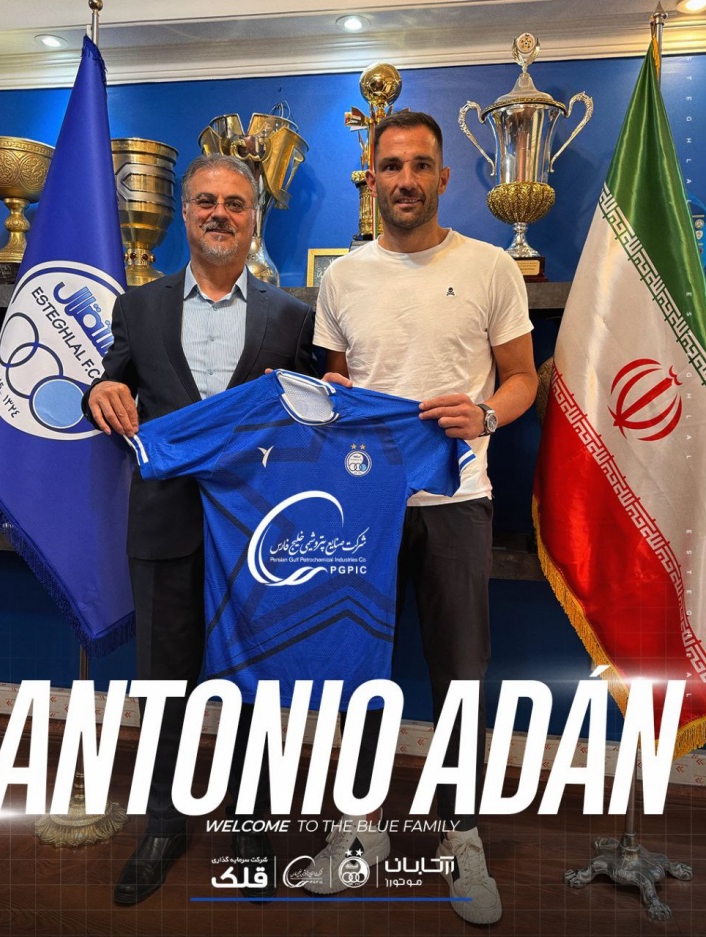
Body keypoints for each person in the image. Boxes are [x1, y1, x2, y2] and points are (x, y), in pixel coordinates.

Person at [308, 111, 538, 925]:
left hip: (457, 502)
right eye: (391, 165)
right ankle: (359, 825)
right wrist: (328, 397)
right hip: (363, 505)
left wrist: (487, 413)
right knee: (356, 673)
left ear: (442, 177)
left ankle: (460, 834)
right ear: (371, 178)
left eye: (420, 165)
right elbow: (339, 384)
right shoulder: (342, 278)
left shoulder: (490, 267)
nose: (405, 179)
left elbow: (523, 377)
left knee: (461, 676)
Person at [83, 153, 315, 905]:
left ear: (254, 219)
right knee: (163, 684)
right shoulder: (139, 307)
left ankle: (249, 822)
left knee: (253, 685)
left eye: (235, 204)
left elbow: (310, 412)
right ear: (185, 213)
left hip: (257, 534)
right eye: (206, 201)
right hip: (165, 526)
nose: (220, 214)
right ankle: (163, 822)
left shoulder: (291, 316)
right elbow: (112, 380)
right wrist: (101, 390)